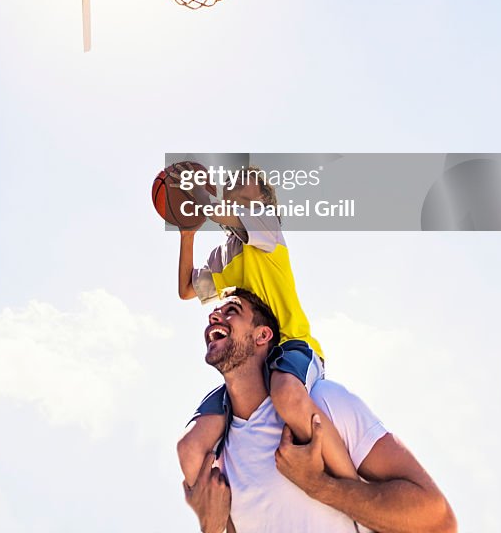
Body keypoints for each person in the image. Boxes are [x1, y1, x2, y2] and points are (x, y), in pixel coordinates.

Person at [183, 289, 457, 533]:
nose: (213, 318)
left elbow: (439, 522)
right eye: (214, 314)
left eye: (231, 310)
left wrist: (319, 485)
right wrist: (212, 527)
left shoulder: (322, 402)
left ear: (262, 335)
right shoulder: (217, 459)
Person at [175, 165, 358, 488]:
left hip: (292, 345)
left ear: (264, 202)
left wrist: (196, 193)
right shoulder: (225, 254)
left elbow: (216, 209)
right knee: (190, 447)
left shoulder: (266, 227)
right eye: (233, 190)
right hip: (249, 363)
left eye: (247, 192)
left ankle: (353, 487)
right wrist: (187, 233)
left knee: (287, 393)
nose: (238, 194)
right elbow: (187, 290)